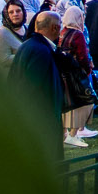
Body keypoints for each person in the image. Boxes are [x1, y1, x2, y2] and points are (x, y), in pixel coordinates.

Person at [11, 11, 69, 152]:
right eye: (60, 26)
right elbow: (31, 88)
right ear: (55, 28)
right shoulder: (40, 50)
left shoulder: (28, 45)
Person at [58, 3, 98, 145]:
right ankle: (73, 134)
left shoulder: (62, 32)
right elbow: (82, 56)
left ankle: (64, 133)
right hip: (77, 74)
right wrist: (87, 71)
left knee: (67, 104)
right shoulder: (78, 34)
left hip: (64, 73)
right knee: (85, 102)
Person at [0, 0, 30, 71]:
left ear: (23, 12)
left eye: (18, 11)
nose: (15, 14)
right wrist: (28, 55)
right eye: (11, 12)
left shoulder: (27, 28)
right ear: (7, 15)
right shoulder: (1, 34)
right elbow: (4, 60)